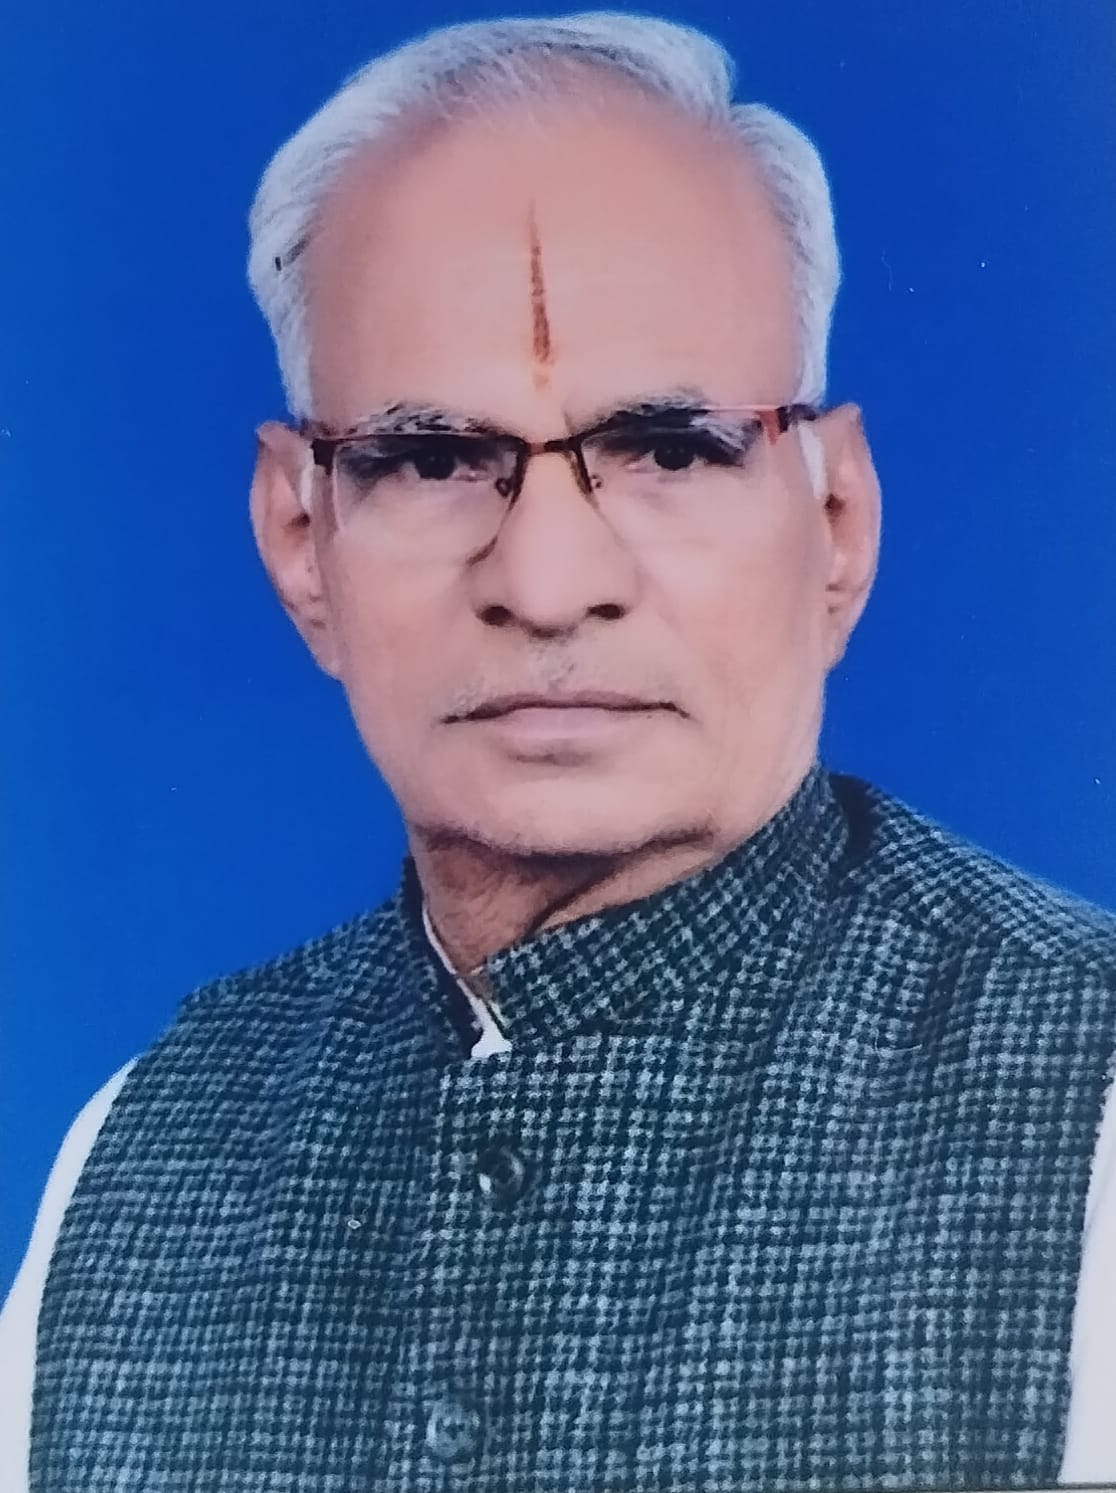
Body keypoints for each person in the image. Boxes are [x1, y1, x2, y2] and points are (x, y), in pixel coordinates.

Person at [3, 12, 1115, 1492]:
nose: (546, 582)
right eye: (430, 458)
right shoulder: (141, 1158)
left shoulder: (1088, 1109)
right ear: (300, 541)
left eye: (671, 448)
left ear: (837, 523)